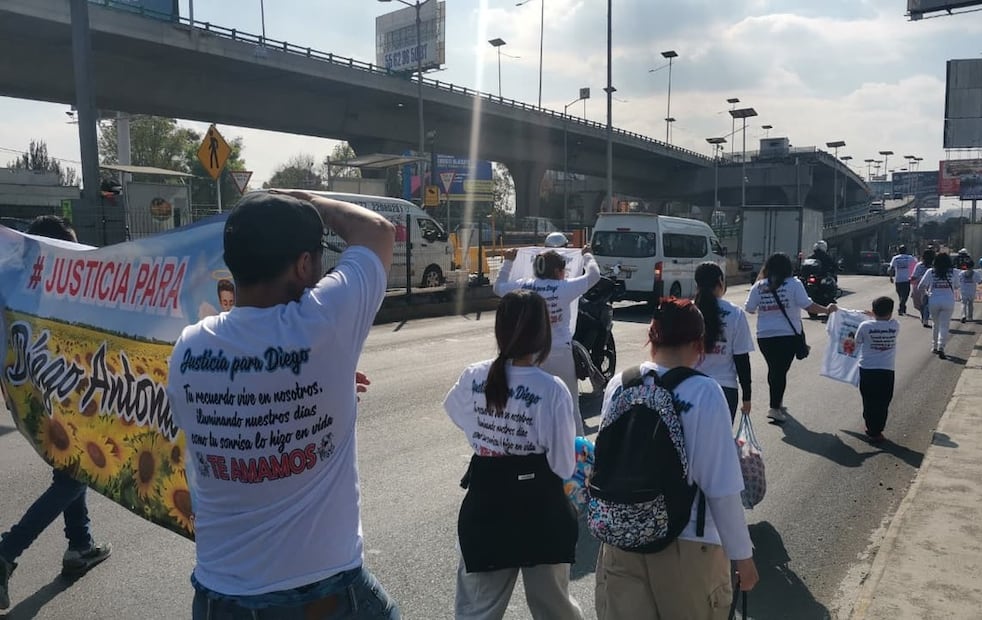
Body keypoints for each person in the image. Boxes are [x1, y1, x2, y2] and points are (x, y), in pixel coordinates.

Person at [166, 191, 399, 619]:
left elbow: (229, 414)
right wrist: (307, 199)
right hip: (322, 593)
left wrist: (326, 381)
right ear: (304, 265)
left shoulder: (188, 348)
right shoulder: (324, 322)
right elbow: (378, 231)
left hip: (222, 595)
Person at [593, 298, 758, 619]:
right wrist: (742, 556)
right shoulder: (705, 392)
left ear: (652, 337)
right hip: (688, 546)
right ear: (700, 344)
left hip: (622, 539)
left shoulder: (621, 383)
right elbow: (721, 487)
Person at [443, 290, 583, 620]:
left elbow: (456, 414)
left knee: (477, 609)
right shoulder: (552, 390)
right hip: (542, 512)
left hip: (487, 506)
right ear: (542, 332)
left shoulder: (473, 376)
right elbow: (563, 464)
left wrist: (491, 440)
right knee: (554, 607)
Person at [0, 216, 111, 612]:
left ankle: (79, 545)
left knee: (68, 471)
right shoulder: (62, 290)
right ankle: (8, 549)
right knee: (78, 475)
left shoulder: (19, 285)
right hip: (73, 396)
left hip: (39, 395)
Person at [494, 245, 601, 435]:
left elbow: (498, 287)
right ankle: (578, 453)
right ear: (558, 271)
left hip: (528, 355)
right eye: (564, 271)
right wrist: (587, 256)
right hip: (560, 352)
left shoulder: (523, 286)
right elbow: (594, 276)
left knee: (530, 403)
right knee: (569, 403)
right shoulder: (564, 287)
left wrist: (508, 261)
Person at [744, 253, 837, 423]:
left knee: (775, 369)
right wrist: (827, 310)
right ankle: (774, 407)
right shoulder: (794, 284)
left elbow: (749, 308)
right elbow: (808, 306)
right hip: (786, 336)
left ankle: (776, 401)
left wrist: (766, 306)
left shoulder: (759, 285)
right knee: (779, 371)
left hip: (764, 336)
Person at [693, 262, 753, 426]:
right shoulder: (735, 314)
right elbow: (741, 358)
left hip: (690, 388)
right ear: (720, 281)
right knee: (720, 445)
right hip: (724, 390)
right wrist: (747, 396)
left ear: (696, 283)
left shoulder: (688, 311)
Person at [855, 297, 900, 443]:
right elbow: (885, 319)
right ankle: (878, 429)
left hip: (867, 369)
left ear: (873, 311)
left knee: (868, 400)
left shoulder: (864, 326)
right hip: (886, 370)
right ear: (891, 312)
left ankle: (871, 428)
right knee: (883, 401)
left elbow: (857, 341)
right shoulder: (895, 325)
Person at [918, 253, 960, 359]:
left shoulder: (930, 272)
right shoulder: (954, 272)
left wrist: (927, 293)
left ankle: (934, 346)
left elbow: (921, 286)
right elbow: (957, 286)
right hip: (948, 301)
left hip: (934, 300)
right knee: (944, 325)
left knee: (935, 324)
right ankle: (942, 346)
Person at [910, 249, 936, 328]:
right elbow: (913, 277)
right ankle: (924, 316)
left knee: (926, 304)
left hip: (928, 288)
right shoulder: (919, 265)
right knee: (922, 305)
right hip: (920, 287)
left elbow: (913, 277)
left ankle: (925, 319)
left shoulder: (934, 266)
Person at [887, 245, 918, 315]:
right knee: (905, 295)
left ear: (899, 251)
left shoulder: (895, 258)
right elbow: (916, 266)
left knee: (901, 295)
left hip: (898, 279)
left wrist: (891, 277)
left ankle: (902, 307)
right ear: (906, 251)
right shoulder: (910, 258)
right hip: (906, 279)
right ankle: (902, 307)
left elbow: (891, 268)